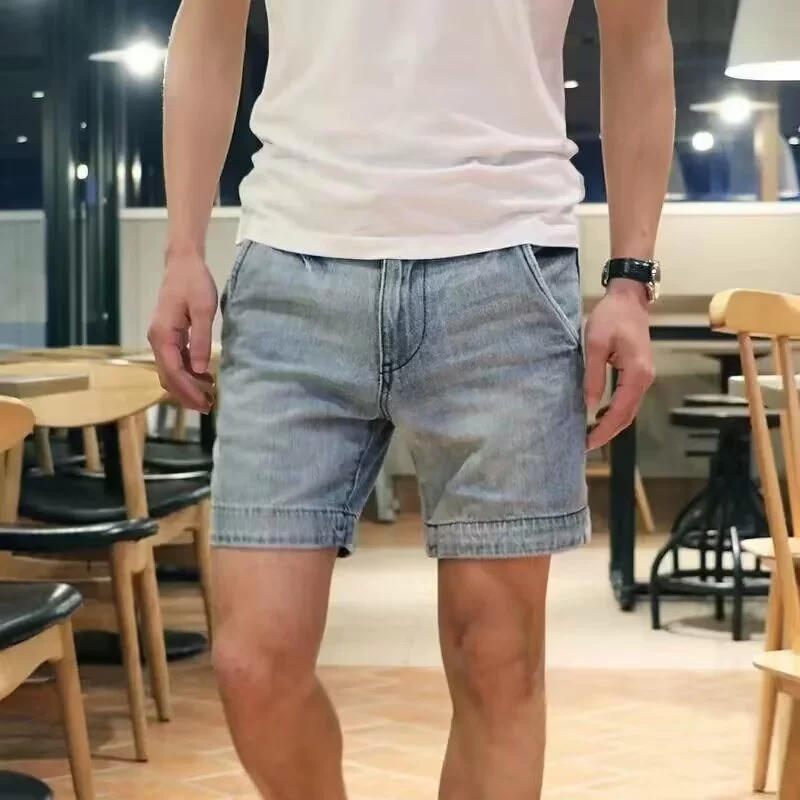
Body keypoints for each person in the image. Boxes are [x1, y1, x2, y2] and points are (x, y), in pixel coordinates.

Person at [148, 0, 674, 796]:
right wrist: (182, 249)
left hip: (506, 269)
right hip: (292, 267)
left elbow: (637, 39)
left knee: (498, 662)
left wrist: (631, 280)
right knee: (253, 665)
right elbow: (208, 25)